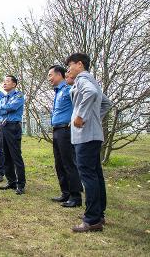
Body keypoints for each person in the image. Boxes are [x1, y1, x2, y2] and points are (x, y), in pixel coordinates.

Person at [66, 53, 112, 233]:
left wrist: (81, 117)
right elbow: (107, 103)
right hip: (93, 135)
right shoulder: (92, 80)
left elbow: (91, 94)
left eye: (69, 66)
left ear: (79, 64)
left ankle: (92, 219)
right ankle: (98, 214)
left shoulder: (83, 79)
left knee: (88, 176)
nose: (68, 70)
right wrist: (94, 119)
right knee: (96, 175)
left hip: (85, 137)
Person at [48, 65, 83, 207]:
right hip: (56, 131)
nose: (49, 78)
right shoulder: (58, 92)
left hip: (65, 131)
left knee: (69, 163)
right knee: (59, 163)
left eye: (51, 75)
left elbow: (80, 105)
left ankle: (76, 197)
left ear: (59, 75)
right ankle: (65, 193)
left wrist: (74, 120)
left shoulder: (69, 89)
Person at [0, 75, 26, 195]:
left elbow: (13, 107)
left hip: (13, 126)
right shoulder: (3, 98)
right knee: (6, 155)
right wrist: (5, 108)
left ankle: (21, 184)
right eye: (4, 81)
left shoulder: (19, 95)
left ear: (14, 84)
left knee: (15, 156)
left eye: (7, 81)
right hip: (3, 127)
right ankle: (11, 181)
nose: (4, 83)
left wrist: (4, 108)